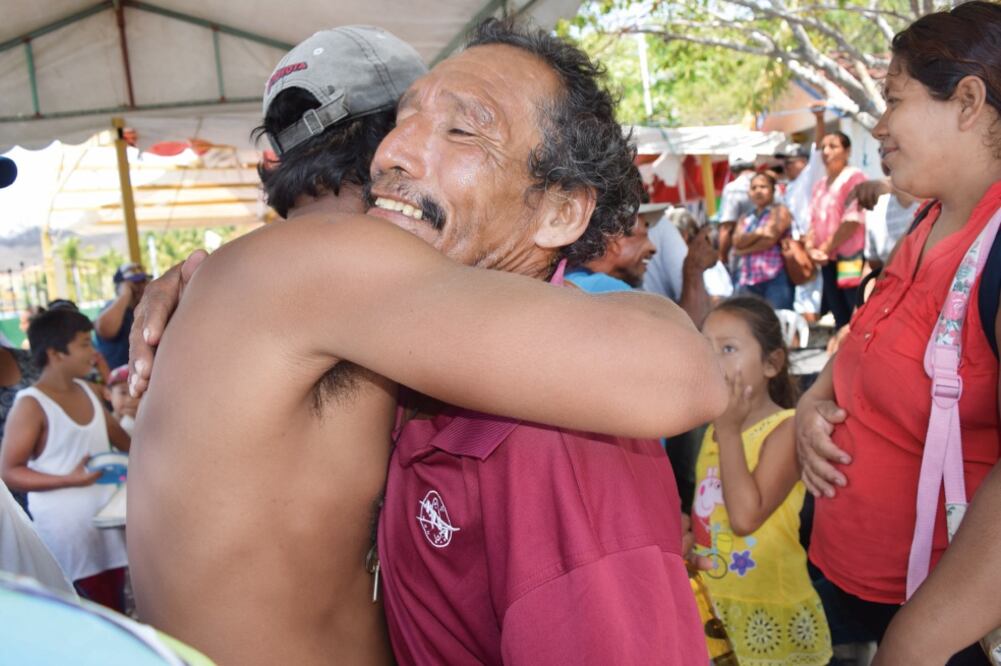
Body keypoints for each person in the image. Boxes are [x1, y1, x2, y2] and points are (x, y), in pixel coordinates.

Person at [127, 22, 726, 666]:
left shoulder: (268, 281)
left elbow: (683, 379)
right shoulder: (338, 277)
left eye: (461, 129)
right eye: (404, 119)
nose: (399, 152)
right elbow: (684, 373)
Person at [796, 3, 1001, 663]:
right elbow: (870, 339)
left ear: (966, 101)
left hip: (939, 630)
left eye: (892, 99)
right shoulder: (930, 218)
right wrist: (812, 401)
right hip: (859, 593)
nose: (878, 126)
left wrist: (915, 642)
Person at [694, 296, 831, 665]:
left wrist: (729, 430)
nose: (714, 361)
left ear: (771, 364)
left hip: (770, 608)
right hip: (719, 605)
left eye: (728, 349)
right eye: (706, 348)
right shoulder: (713, 431)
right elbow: (709, 516)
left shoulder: (785, 429)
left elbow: (744, 517)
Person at [0, 308, 131, 612]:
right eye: (84, 344)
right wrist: (69, 480)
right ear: (56, 353)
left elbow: (127, 444)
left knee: (116, 611)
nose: (93, 352)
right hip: (67, 538)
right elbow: (9, 472)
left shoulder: (89, 391)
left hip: (108, 533)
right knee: (88, 616)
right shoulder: (31, 404)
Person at [803, 131, 867, 331]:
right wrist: (810, 248)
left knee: (855, 311)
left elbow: (852, 220)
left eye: (833, 146)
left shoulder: (855, 177)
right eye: (823, 147)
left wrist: (824, 248)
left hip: (850, 257)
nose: (826, 151)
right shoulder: (820, 184)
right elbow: (813, 220)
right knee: (838, 314)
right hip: (827, 260)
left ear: (847, 151)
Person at [643, 207, 717, 327]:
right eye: (641, 235)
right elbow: (695, 319)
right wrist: (693, 268)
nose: (651, 247)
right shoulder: (661, 225)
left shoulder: (661, 225)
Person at [565, 197, 658, 292]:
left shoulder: (568, 276)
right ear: (614, 239)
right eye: (644, 236)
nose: (653, 248)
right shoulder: (607, 288)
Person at [732, 173, 794, 310]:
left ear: (772, 190)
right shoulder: (746, 216)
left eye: (763, 186)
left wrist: (744, 249)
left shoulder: (780, 211)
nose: (758, 191)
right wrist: (760, 232)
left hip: (774, 276)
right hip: (748, 279)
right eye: (754, 187)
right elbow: (736, 241)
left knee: (778, 321)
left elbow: (769, 240)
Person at [93, 263, 148, 369]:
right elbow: (105, 329)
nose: (141, 287)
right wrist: (125, 294)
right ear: (120, 287)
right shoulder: (112, 307)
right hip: (118, 378)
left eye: (143, 281)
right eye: (135, 283)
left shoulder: (143, 308)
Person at [718, 148, 758, 266]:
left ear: (732, 169)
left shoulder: (733, 188)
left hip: (745, 259)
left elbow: (727, 227)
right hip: (773, 257)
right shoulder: (771, 185)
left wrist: (722, 257)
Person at [105, 365, 138, 436]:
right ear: (108, 394)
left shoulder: (151, 423)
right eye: (123, 393)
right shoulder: (104, 424)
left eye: (138, 393)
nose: (130, 399)